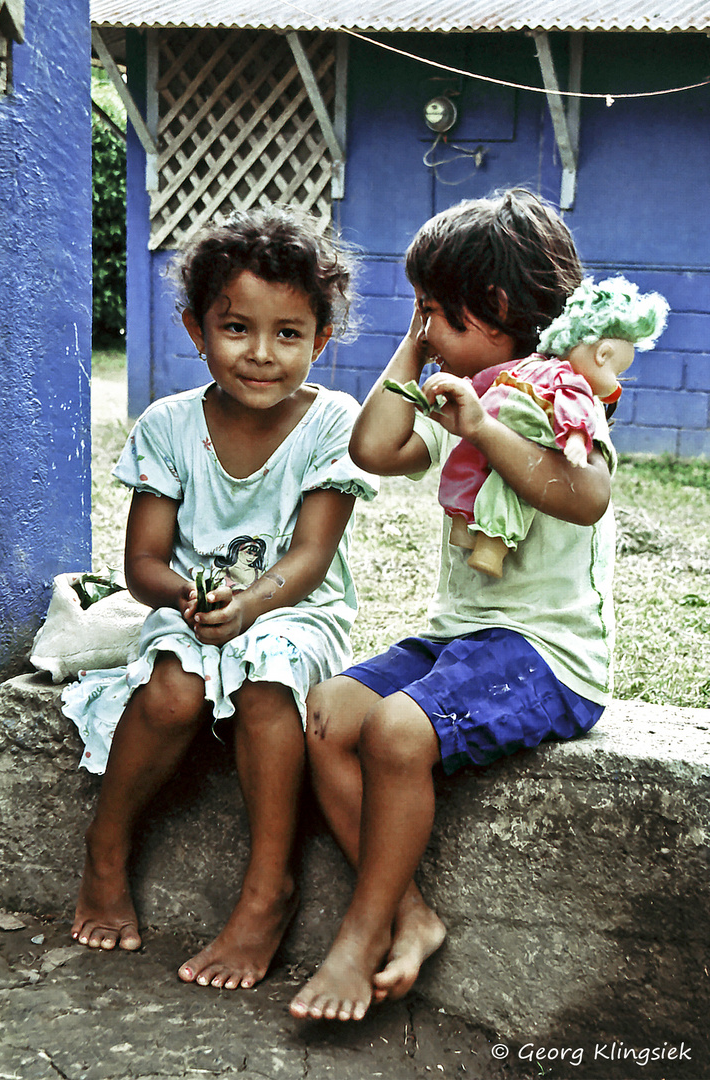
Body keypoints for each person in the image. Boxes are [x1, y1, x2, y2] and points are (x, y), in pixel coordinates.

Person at [289, 188, 620, 1022]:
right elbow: (374, 448)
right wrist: (418, 340)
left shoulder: (559, 394)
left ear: (497, 308)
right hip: (461, 637)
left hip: (548, 657)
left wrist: (481, 428)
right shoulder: (463, 383)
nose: (426, 328)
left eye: (435, 310)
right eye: (421, 312)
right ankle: (410, 912)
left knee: (398, 729)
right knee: (329, 711)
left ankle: (360, 937)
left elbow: (583, 497)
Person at [62, 207, 377, 991]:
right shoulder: (171, 426)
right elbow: (143, 564)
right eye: (237, 328)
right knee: (172, 688)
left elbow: (309, 558)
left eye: (290, 334)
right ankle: (106, 848)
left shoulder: (334, 423)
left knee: (269, 679)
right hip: (195, 605)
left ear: (321, 340)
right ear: (195, 329)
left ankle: (267, 892)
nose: (262, 355)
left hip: (298, 611)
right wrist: (194, 595)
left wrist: (251, 607)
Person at [439, 275, 669, 576]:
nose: (616, 381)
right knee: (476, 471)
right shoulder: (571, 382)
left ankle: (486, 545)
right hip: (500, 424)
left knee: (493, 482)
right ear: (603, 355)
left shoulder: (535, 367)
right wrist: (575, 436)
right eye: (617, 370)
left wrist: (575, 439)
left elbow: (493, 378)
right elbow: (572, 409)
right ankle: (468, 530)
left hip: (504, 424)